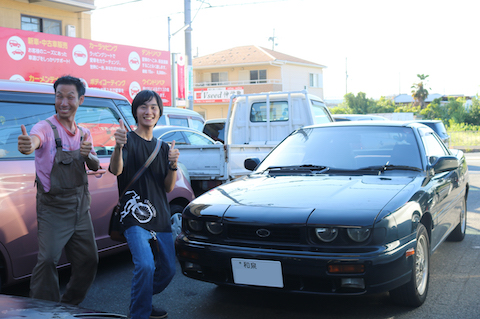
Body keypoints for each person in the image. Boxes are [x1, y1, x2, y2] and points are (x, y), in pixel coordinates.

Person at [17, 75, 100, 305]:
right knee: (46, 262)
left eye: (70, 97)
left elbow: (94, 164)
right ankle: (43, 311)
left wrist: (88, 155)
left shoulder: (84, 133)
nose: (64, 102)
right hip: (53, 208)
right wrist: (28, 144)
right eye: (59, 96)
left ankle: (69, 304)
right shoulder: (44, 127)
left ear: (80, 100)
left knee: (89, 260)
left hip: (81, 208)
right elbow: (34, 140)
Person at [109, 90, 178, 319]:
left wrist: (173, 165)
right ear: (135, 111)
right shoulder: (126, 139)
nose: (148, 112)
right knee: (146, 265)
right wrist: (118, 147)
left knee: (168, 270)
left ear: (159, 112)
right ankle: (139, 313)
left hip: (160, 215)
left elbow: (168, 187)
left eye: (153, 107)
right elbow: (116, 170)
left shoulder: (164, 147)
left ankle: (143, 300)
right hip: (133, 216)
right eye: (143, 107)